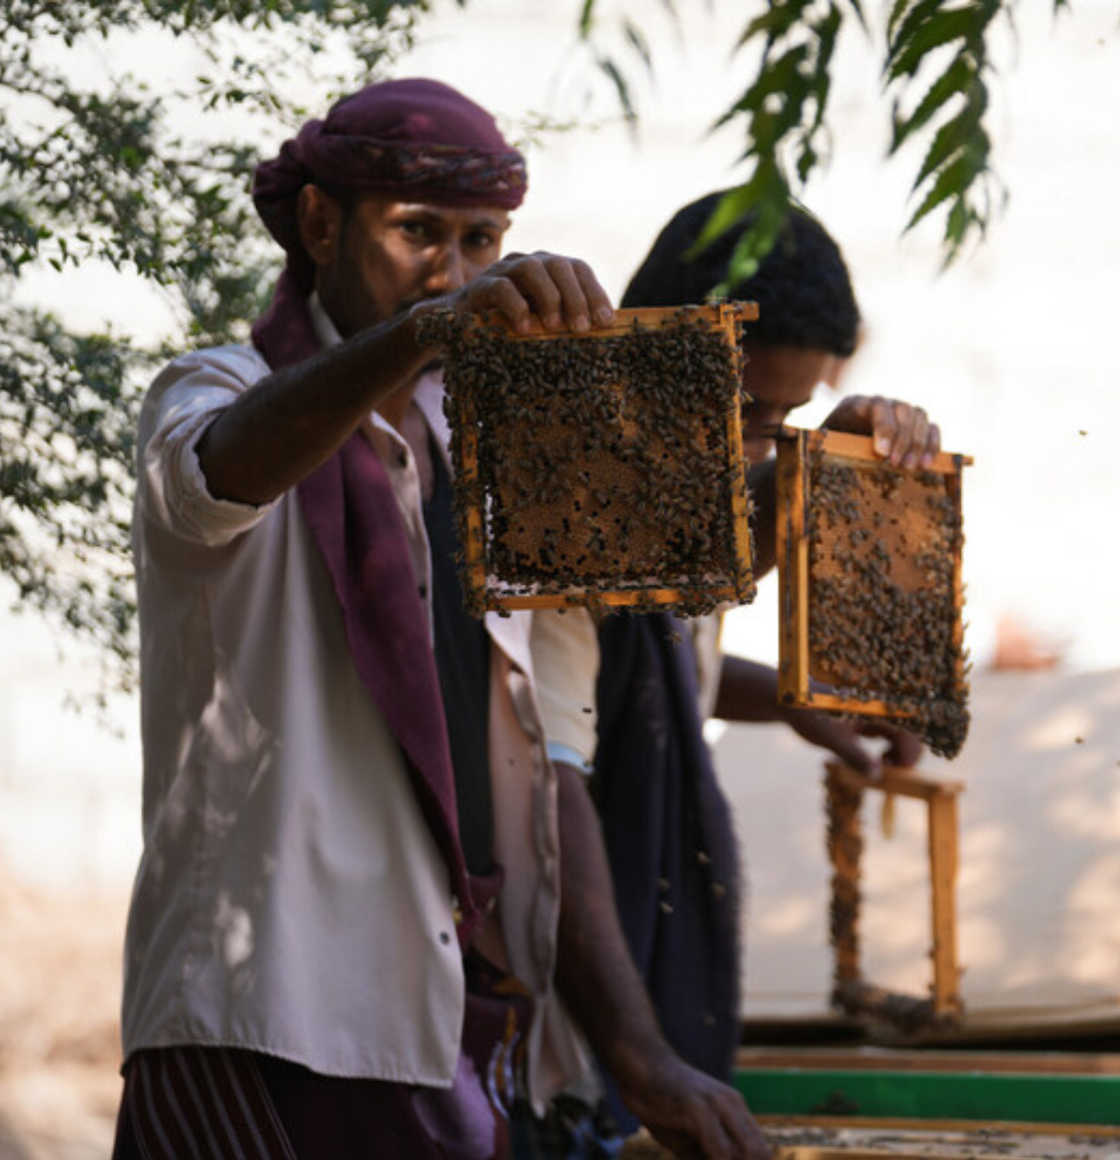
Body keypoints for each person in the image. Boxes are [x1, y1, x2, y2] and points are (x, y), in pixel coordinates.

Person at [113, 82, 770, 1160]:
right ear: (321, 224)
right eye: (418, 233)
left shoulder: (496, 446)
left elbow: (553, 757)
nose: (454, 268)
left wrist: (641, 1053)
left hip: (457, 1018)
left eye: (481, 241)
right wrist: (429, 332)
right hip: (262, 1019)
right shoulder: (213, 387)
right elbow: (217, 470)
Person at [529, 193, 937, 1137]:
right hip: (557, 1034)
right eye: (747, 414)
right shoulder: (560, 503)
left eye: (786, 423)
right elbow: (549, 778)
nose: (758, 449)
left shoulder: (685, 512)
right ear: (662, 349)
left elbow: (674, 658)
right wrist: (644, 1064)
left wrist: (795, 699)